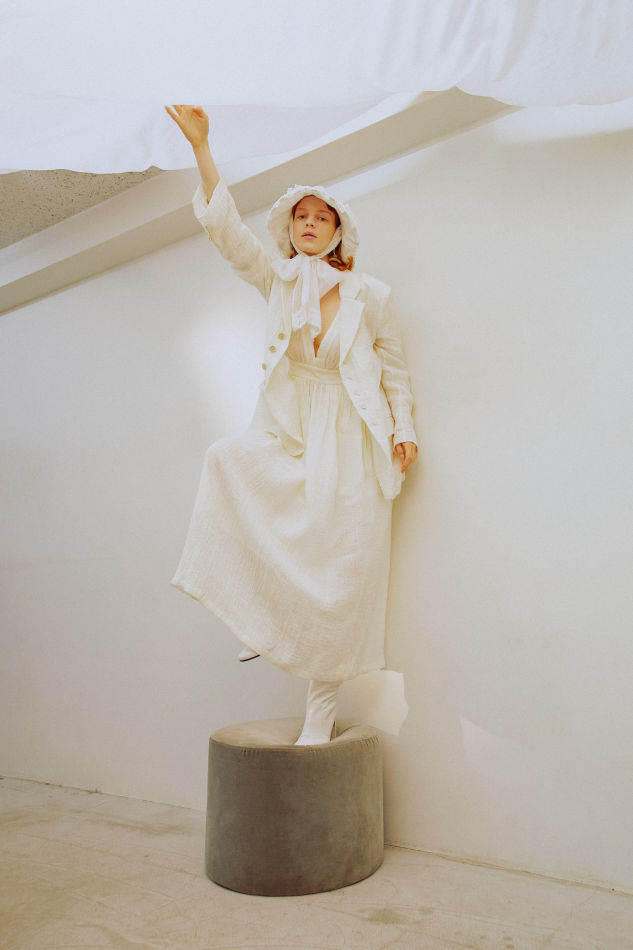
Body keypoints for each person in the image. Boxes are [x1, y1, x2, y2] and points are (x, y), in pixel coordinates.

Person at [166, 104, 418, 745]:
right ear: (290, 227)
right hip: (292, 426)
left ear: (338, 231)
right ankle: (261, 619)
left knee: (341, 572)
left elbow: (393, 370)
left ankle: (318, 720)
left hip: (354, 434)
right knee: (226, 461)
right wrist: (202, 150)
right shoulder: (278, 280)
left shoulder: (372, 295)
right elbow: (228, 234)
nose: (309, 224)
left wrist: (403, 430)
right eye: (301, 216)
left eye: (321, 217)